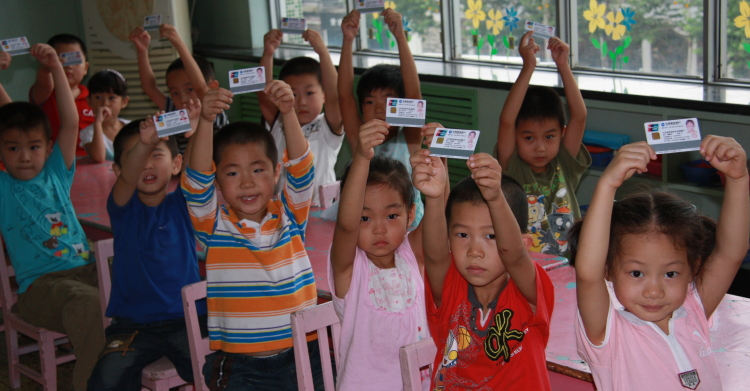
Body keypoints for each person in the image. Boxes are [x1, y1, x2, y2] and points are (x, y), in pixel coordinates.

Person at [570, 138, 748, 391]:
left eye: (670, 273)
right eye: (637, 273)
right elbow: (588, 273)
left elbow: (732, 253)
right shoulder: (608, 333)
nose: (654, 291)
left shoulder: (693, 312)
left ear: (693, 269)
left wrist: (738, 180)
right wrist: (608, 185)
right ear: (607, 269)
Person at [181, 81, 324, 390]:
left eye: (257, 170)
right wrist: (205, 121)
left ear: (275, 173)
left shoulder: (290, 216)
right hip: (243, 367)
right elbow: (195, 181)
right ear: (217, 180)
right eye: (232, 173)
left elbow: (302, 168)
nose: (246, 182)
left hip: (304, 354)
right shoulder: (214, 227)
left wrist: (287, 113)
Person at [0, 43, 104, 391]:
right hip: (41, 288)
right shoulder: (2, 186)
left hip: (86, 269)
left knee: (140, 274)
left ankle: (133, 361)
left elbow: (70, 119)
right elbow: (10, 121)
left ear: (47, 146)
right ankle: (92, 385)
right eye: (13, 149)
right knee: (88, 304)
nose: (24, 157)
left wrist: (56, 66)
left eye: (33, 147)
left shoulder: (58, 172)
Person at [411, 148, 554, 389]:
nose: (474, 251)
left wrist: (496, 197)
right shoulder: (450, 285)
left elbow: (515, 256)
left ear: (524, 243)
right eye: (463, 234)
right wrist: (435, 199)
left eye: (490, 236)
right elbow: (434, 256)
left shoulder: (525, 293)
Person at [87, 110, 206, 391]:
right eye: (137, 157)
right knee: (106, 379)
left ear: (176, 163)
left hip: (187, 321)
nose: (146, 165)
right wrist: (146, 141)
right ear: (118, 170)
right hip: (133, 326)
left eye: (156, 154)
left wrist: (202, 125)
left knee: (223, 371)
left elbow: (198, 170)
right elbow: (129, 179)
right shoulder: (123, 210)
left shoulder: (184, 203)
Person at [328, 119, 429, 391]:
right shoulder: (349, 268)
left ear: (410, 215)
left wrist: (437, 166)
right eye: (365, 217)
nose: (379, 228)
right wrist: (362, 156)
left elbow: (437, 231)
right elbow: (347, 225)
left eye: (392, 215)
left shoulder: (411, 255)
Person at [496, 31, 590, 256]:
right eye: (529, 138)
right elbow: (507, 121)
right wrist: (528, 67)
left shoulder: (564, 162)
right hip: (526, 266)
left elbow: (579, 116)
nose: (540, 147)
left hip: (568, 264)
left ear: (561, 134)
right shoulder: (512, 165)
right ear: (516, 137)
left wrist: (563, 66)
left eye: (549, 137)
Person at [339, 8, 425, 226]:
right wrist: (348, 40)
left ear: (402, 104)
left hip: (408, 227)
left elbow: (414, 94)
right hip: (369, 225)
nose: (379, 109)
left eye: (388, 101)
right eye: (369, 102)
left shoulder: (411, 138)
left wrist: (400, 37)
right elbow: (345, 96)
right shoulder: (362, 140)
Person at [259, 28, 343, 206]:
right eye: (293, 94)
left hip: (321, 211)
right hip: (282, 210)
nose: (301, 102)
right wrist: (267, 54)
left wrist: (323, 52)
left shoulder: (327, 126)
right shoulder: (278, 120)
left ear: (324, 95)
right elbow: (264, 94)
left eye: (310, 93)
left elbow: (337, 96)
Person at [130, 24, 228, 153]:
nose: (183, 98)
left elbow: (200, 88)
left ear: (213, 87)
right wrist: (142, 51)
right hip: (183, 169)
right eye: (175, 93)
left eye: (189, 90)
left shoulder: (213, 108)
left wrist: (178, 43)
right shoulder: (174, 109)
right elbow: (150, 88)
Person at [28, 34, 94, 155]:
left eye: (75, 59)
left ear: (86, 68)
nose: (69, 66)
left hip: (91, 158)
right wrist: (49, 66)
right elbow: (44, 80)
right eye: (61, 60)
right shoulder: (45, 92)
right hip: (56, 160)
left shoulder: (95, 97)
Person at [79, 69, 130, 162]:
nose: (105, 103)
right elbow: (99, 157)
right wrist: (97, 123)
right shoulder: (88, 133)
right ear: (89, 101)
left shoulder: (131, 127)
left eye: (112, 98)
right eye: (98, 97)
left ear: (124, 102)